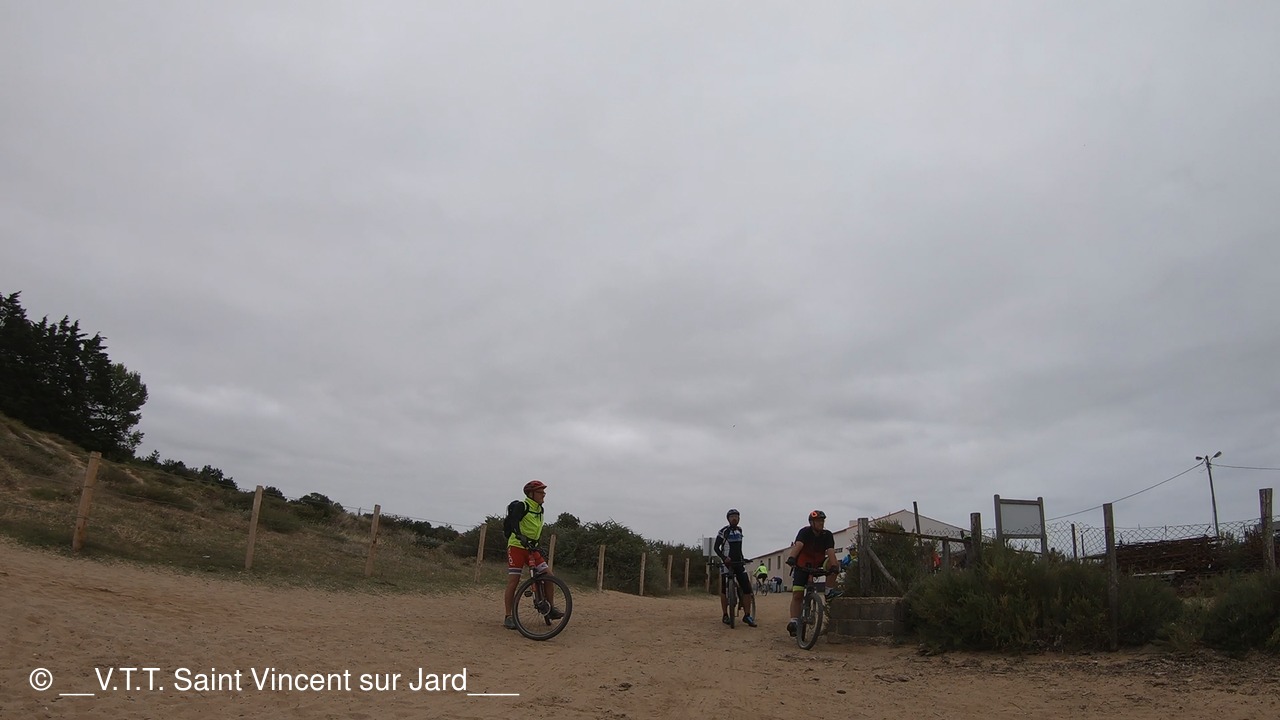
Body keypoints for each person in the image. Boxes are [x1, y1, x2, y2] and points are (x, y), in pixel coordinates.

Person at [501, 480, 563, 630]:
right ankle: (508, 616)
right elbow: (514, 522)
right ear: (531, 494)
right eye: (540, 492)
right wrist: (519, 535)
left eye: (543, 492)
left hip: (531, 548)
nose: (543, 494)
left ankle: (550, 608)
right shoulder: (523, 506)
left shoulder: (540, 509)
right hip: (516, 546)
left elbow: (535, 529)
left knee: (549, 576)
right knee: (514, 581)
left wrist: (536, 544)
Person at [783, 510, 841, 637]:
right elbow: (798, 545)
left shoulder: (827, 535)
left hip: (818, 563)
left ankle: (828, 592)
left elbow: (830, 551)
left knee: (835, 564)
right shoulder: (804, 532)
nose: (821, 523)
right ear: (811, 523)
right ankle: (794, 622)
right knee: (797, 595)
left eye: (822, 521)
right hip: (802, 565)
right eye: (818, 521)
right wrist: (792, 558)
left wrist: (834, 567)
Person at [714, 508, 756, 627]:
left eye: (736, 517)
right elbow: (716, 548)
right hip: (727, 564)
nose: (734, 518)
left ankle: (747, 615)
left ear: (739, 518)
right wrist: (724, 558)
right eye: (732, 517)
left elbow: (739, 547)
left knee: (747, 588)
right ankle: (725, 615)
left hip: (738, 562)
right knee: (724, 589)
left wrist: (742, 558)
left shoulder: (739, 530)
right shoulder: (723, 531)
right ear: (728, 519)